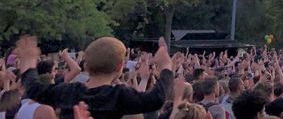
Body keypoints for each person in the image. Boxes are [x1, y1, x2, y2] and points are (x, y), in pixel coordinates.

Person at [16, 36, 174, 119]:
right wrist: (166, 65)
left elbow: (34, 88)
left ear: (86, 66)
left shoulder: (67, 91)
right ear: (120, 67)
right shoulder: (118, 96)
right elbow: (157, 98)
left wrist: (28, 60)